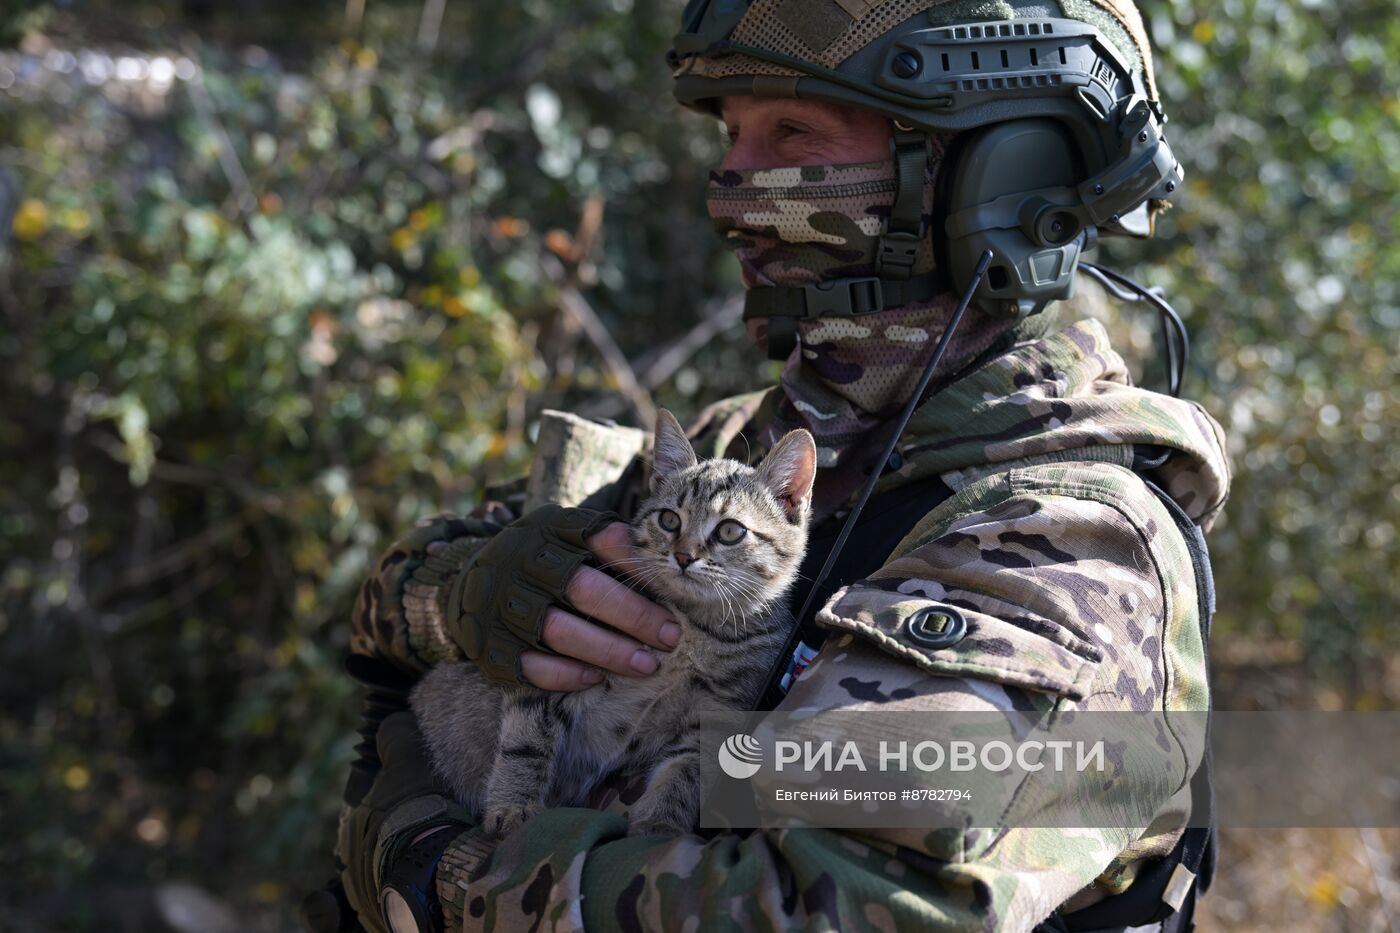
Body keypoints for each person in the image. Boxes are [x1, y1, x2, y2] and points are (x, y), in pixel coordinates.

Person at [311, 1, 1231, 931]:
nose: (733, 183)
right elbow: (379, 611)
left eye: (793, 131)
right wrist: (464, 594)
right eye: (732, 132)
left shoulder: (1067, 548)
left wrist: (434, 874)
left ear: (998, 183)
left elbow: (814, 909)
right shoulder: (731, 447)